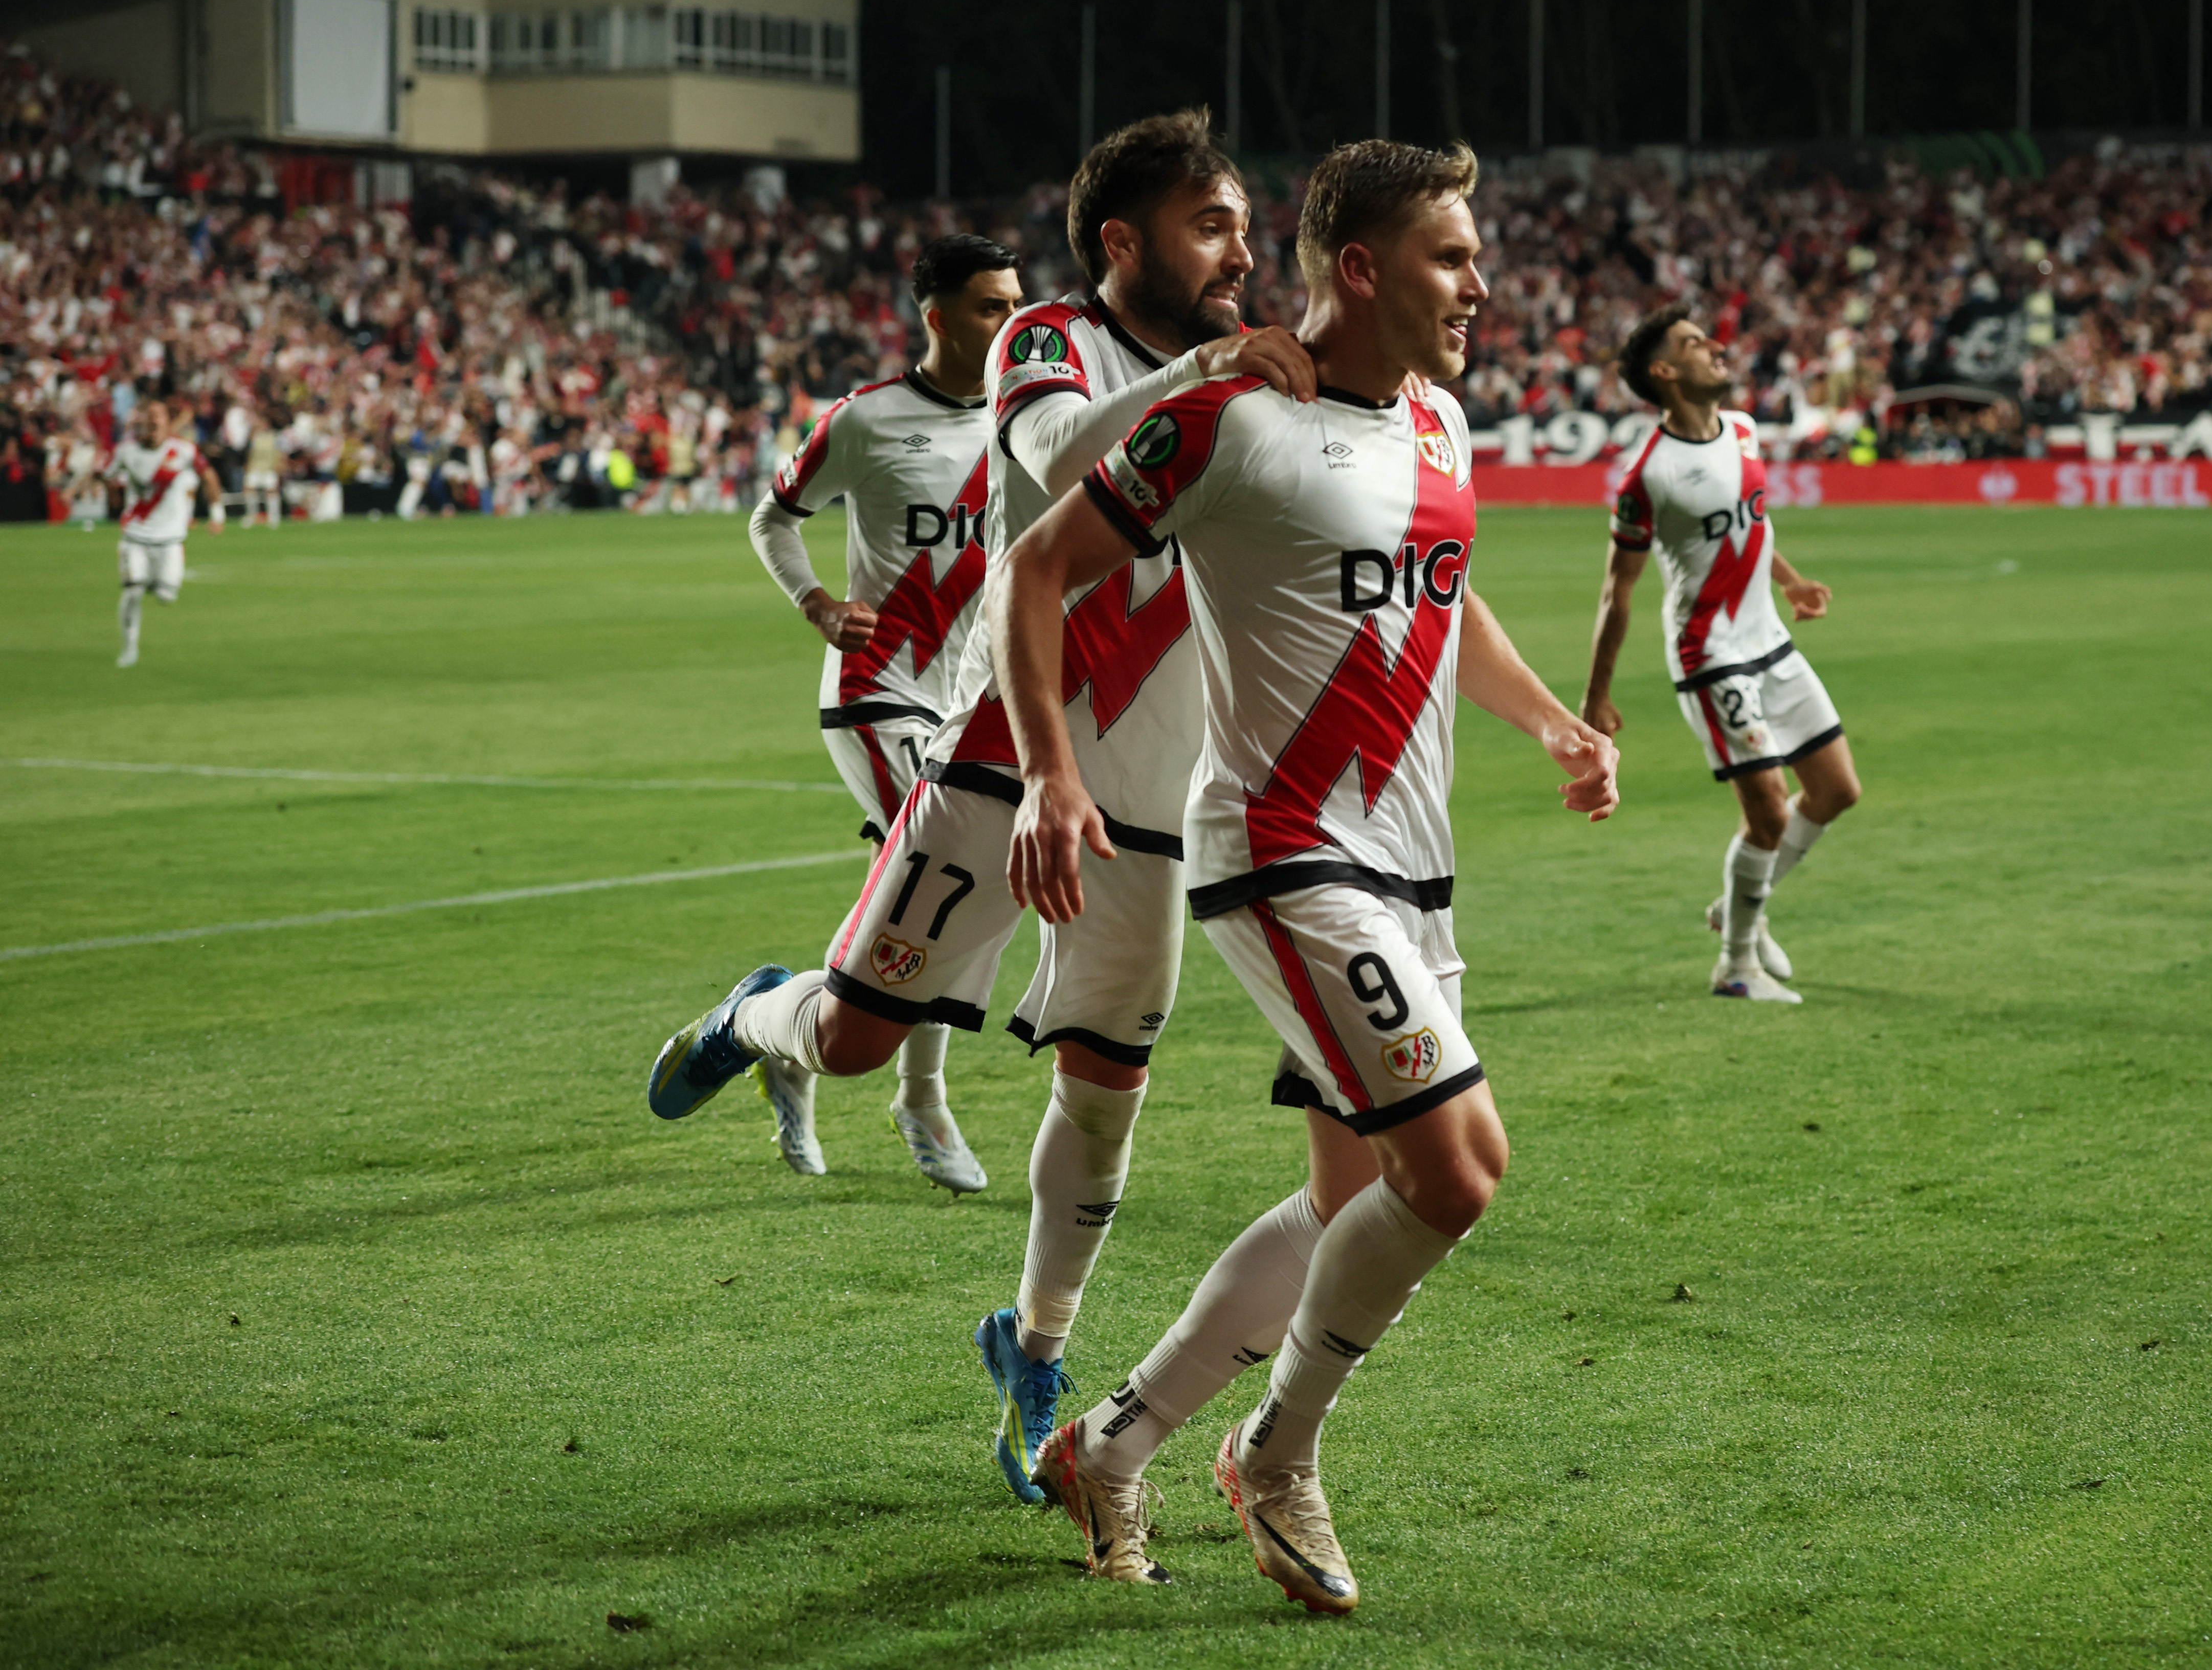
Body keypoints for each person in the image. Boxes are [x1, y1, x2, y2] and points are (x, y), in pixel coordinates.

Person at [643, 111, 1316, 1505]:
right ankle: (751, 1012)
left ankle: (1036, 1343)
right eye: (1214, 222)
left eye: (1250, 223)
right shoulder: (1050, 341)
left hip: (1155, 789)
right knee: (847, 1035)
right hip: (1008, 753)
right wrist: (1202, 373)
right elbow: (1072, 462)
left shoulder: (1261, 382)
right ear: (1123, 239)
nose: (1245, 248)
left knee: (1109, 1082)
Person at [1003, 139, 1619, 1609]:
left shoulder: (1444, 424)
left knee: (1358, 1193)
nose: (1481, 283)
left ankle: (1115, 1440)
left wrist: (1554, 723)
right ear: (1359, 267)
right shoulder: (1233, 416)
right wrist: (1050, 767)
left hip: (1414, 868)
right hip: (1285, 854)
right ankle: (1276, 1450)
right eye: (1453, 257)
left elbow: (1443, 603)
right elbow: (1037, 564)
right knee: (1460, 1170)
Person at [738, 232, 1023, 1184]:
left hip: (969, 702)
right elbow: (773, 515)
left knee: (915, 901)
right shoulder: (866, 419)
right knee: (949, 883)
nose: (1008, 324)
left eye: (1016, 304)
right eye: (990, 306)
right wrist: (816, 602)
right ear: (937, 315)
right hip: (877, 693)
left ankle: (785, 1036)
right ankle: (922, 1100)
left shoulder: (1031, 423)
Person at [1579, 306, 1863, 1002]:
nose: (1714, 348)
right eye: (1692, 344)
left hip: (1770, 640)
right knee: (1767, 811)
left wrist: (1792, 582)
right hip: (1711, 655)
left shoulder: (1743, 430)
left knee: (1836, 791)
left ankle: (1742, 905)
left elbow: (1750, 526)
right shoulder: (1648, 475)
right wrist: (1597, 695)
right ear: (1665, 373)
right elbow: (1618, 591)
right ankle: (1736, 966)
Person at [109, 400, 223, 667]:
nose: (153, 424)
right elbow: (106, 474)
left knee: (166, 596)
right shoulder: (127, 451)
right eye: (149, 419)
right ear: (143, 424)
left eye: (158, 418)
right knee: (132, 592)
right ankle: (129, 648)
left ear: (166, 424)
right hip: (135, 536)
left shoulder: (183, 451)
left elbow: (209, 477)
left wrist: (218, 515)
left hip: (170, 540)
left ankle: (147, 580)